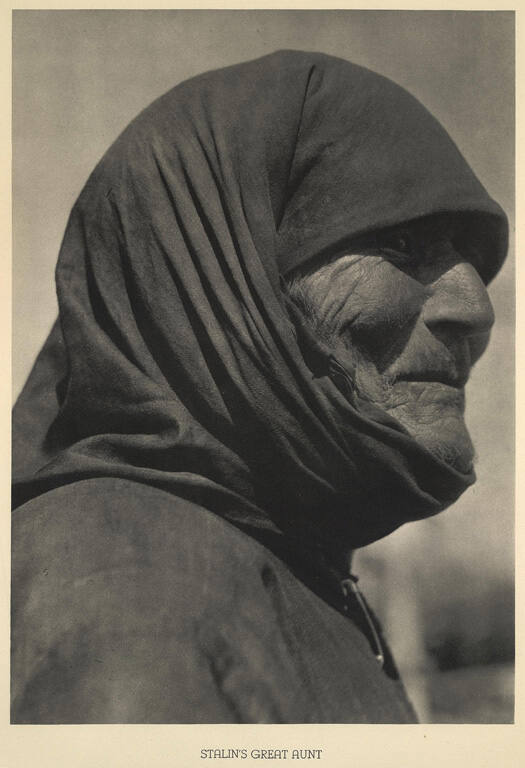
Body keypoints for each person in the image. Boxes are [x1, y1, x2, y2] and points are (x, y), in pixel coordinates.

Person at [11, 50, 507, 723]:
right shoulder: (134, 599)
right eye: (399, 247)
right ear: (219, 283)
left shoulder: (277, 557)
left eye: (472, 259)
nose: (476, 309)